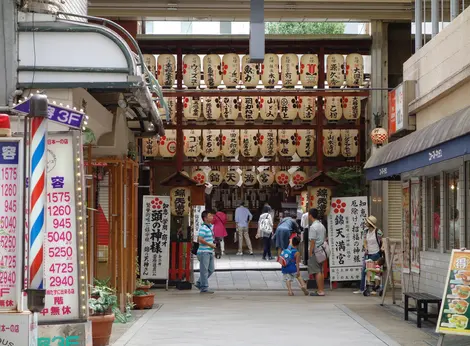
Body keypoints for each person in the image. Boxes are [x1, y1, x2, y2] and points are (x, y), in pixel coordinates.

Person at [354, 215, 383, 294]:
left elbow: (381, 242)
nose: (365, 223)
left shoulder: (378, 232)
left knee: (374, 272)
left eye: (367, 222)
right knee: (364, 270)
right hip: (368, 253)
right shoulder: (366, 231)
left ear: (370, 223)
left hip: (376, 253)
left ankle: (375, 288)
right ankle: (362, 288)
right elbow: (365, 241)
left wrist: (381, 250)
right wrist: (365, 248)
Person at [195, 210, 217, 294]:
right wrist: (210, 245)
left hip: (209, 251)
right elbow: (200, 239)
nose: (212, 217)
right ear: (205, 218)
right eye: (210, 216)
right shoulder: (203, 228)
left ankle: (199, 283)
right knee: (204, 270)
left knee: (211, 269)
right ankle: (204, 288)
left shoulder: (210, 227)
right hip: (204, 252)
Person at [308, 208, 326, 297]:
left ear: (310, 215)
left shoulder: (313, 227)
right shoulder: (321, 225)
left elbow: (312, 241)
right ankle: (321, 289)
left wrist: (310, 253)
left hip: (316, 251)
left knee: (317, 271)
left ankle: (320, 291)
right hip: (322, 251)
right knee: (321, 270)